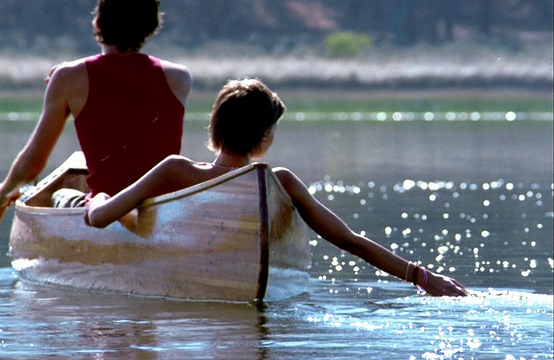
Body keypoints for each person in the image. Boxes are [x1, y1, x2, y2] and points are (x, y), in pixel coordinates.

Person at [84, 78, 468, 297]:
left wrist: (98, 196)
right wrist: (423, 277)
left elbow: (100, 218)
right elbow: (349, 240)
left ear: (215, 128)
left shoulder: (175, 171)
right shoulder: (278, 181)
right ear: (264, 137)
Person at [0, 0, 192, 210]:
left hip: (103, 210)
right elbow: (127, 92)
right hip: (163, 210)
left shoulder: (69, 78)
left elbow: (32, 165)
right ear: (150, 30)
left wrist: (4, 191)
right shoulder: (179, 78)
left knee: (61, 194)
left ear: (97, 23)